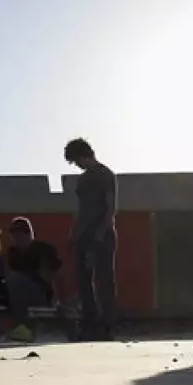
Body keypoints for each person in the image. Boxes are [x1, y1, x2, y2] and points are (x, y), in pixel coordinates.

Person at [65, 138, 119, 341]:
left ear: (83, 154)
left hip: (102, 235)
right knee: (83, 281)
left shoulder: (105, 175)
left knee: (104, 280)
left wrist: (101, 232)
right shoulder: (83, 180)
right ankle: (90, 325)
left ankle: (107, 326)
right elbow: (81, 211)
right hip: (83, 236)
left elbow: (110, 207)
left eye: (76, 160)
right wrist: (74, 234)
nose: (76, 165)